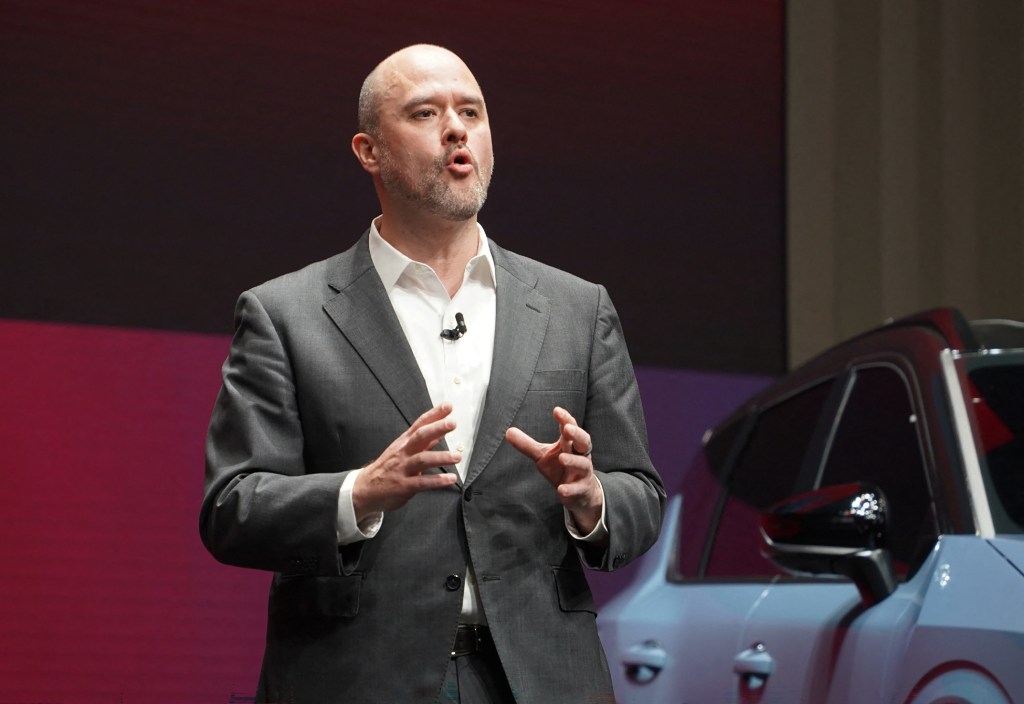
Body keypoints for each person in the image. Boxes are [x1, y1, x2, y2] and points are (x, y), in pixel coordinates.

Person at [200, 44, 664, 704]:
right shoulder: (286, 314)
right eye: (425, 112)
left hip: (538, 681)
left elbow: (640, 496)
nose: (455, 128)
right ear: (369, 151)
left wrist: (592, 500)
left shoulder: (576, 309)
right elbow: (232, 508)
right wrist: (357, 495)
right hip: (356, 680)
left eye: (470, 111)